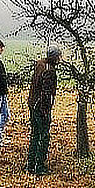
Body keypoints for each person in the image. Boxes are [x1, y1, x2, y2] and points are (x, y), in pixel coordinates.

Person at [26, 45, 60, 175]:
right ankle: (39, 166)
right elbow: (46, 93)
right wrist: (46, 110)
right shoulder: (49, 71)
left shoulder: (40, 64)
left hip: (32, 104)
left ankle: (30, 164)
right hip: (41, 107)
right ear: (55, 57)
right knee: (44, 136)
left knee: (34, 134)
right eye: (59, 56)